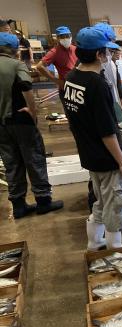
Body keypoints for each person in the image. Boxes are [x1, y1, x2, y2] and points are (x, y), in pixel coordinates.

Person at [62, 27, 122, 250]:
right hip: (106, 156)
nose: (110, 55)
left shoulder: (71, 78)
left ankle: (95, 242)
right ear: (98, 54)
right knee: (115, 202)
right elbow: (107, 131)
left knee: (100, 200)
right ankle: (115, 248)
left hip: (88, 153)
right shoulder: (97, 84)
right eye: (107, 52)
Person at [0, 32, 63, 218]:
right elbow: (26, 88)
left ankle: (18, 205)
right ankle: (43, 201)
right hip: (20, 120)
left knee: (11, 162)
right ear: (14, 49)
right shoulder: (16, 65)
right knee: (34, 158)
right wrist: (32, 113)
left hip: (1, 125)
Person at [36, 26, 77, 96]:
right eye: (62, 37)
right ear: (58, 38)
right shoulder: (54, 52)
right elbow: (40, 66)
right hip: (67, 86)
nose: (65, 39)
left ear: (71, 36)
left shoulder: (75, 49)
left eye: (67, 36)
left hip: (79, 84)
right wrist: (57, 81)